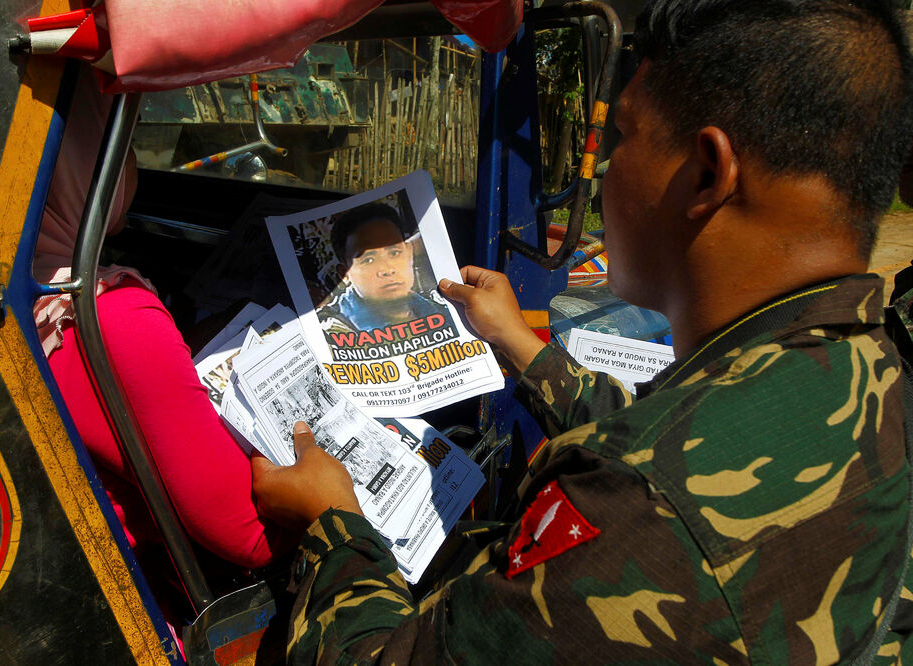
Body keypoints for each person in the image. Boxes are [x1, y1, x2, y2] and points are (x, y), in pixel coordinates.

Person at [251, 0, 913, 662]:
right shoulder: (872, 365)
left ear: (707, 173)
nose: (606, 173)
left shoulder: (640, 509)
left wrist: (334, 525)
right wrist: (521, 345)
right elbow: (682, 434)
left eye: (624, 135)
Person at [33, 69, 290, 611]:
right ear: (80, 169)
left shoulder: (25, 292)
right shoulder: (107, 313)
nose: (129, 164)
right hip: (134, 600)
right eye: (120, 146)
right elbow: (245, 535)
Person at [316, 202, 449, 334]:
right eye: (368, 260)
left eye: (394, 253)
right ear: (344, 273)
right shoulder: (330, 328)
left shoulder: (439, 306)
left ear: (409, 253)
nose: (387, 270)